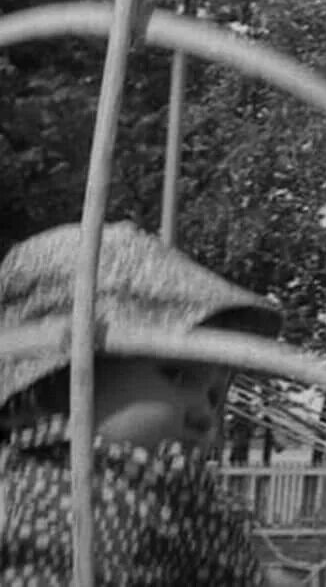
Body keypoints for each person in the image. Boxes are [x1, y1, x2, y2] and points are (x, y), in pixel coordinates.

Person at [0, 220, 285, 586]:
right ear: (41, 384)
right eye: (177, 375)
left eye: (216, 397)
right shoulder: (25, 495)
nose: (205, 414)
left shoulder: (182, 497)